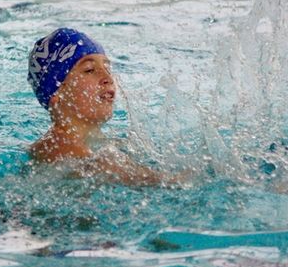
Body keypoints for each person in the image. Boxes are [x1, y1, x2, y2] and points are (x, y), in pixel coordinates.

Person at [27, 28, 190, 187]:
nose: (107, 78)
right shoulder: (55, 146)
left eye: (107, 68)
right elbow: (104, 168)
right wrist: (178, 180)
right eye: (89, 70)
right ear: (57, 93)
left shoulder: (105, 144)